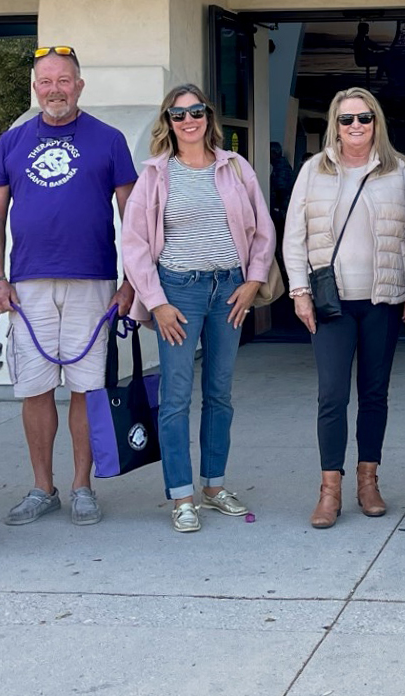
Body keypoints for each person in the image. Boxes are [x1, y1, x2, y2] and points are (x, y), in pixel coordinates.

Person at [0, 46, 137, 528]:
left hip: (93, 280)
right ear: (35, 86)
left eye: (64, 80)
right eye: (46, 81)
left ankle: (81, 487)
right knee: (35, 388)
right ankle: (42, 487)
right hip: (27, 284)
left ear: (80, 85)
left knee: (88, 389)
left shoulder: (109, 140)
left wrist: (132, 280)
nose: (55, 89)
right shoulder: (12, 142)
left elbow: (133, 217)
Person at [120, 83, 275, 533]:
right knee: (175, 396)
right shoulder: (154, 175)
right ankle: (181, 495)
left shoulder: (235, 167)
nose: (189, 120)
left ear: (209, 116)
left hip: (229, 289)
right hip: (178, 293)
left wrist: (253, 281)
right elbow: (133, 246)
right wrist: (158, 303)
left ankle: (213, 485)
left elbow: (262, 229)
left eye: (197, 111)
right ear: (167, 123)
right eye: (178, 114)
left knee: (220, 391)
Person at [283, 87, 405, 528]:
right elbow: (294, 237)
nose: (356, 126)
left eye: (364, 118)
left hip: (382, 300)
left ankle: (368, 481)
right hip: (331, 303)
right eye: (347, 120)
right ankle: (330, 490)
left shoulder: (399, 172)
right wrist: (299, 291)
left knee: (375, 394)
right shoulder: (313, 171)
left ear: (376, 123)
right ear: (335, 125)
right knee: (332, 396)